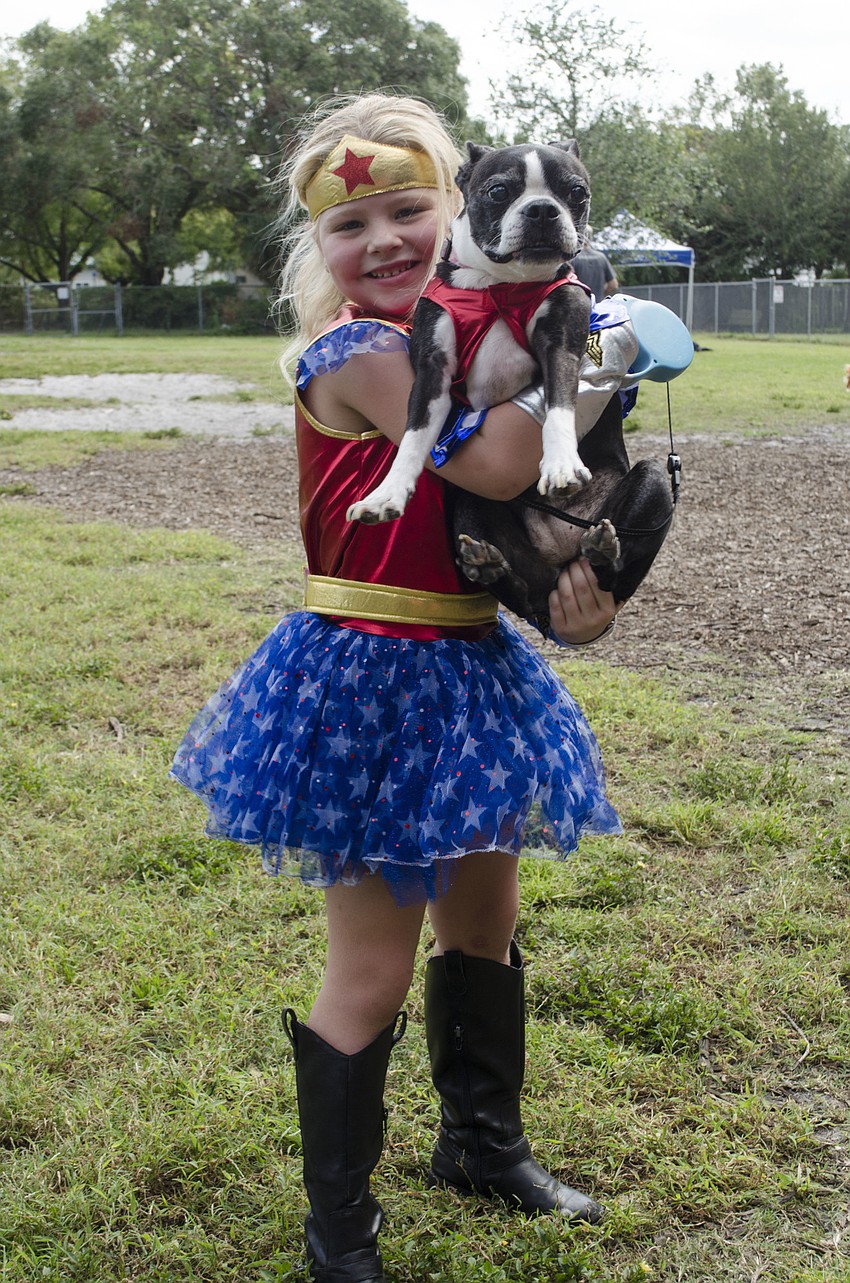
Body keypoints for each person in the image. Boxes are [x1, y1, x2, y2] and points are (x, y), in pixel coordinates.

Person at [171, 94, 624, 1283]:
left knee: (483, 923)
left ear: (456, 213)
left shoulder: (489, 342)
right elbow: (502, 459)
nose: (380, 240)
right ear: (314, 254)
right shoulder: (364, 353)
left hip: (471, 662)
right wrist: (599, 346)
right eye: (347, 223)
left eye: (407, 210)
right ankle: (341, 1233)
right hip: (367, 677)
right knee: (369, 968)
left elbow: (523, 527)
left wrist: (581, 598)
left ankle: (482, 1143)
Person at [571, 227, 619, 303]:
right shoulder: (601, 257)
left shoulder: (572, 258)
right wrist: (600, 295)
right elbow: (613, 285)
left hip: (578, 306)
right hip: (597, 306)